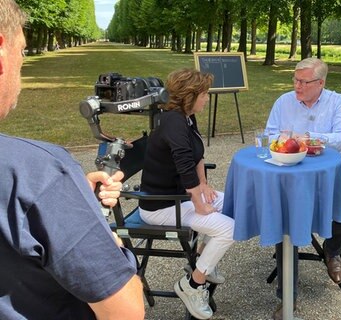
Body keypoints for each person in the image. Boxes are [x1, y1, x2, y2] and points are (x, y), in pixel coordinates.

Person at [0, 1, 145, 319]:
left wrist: (68, 200)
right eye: (22, 52)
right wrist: (94, 224)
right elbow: (126, 311)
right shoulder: (39, 173)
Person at [265, 57, 341, 319]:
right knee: (287, 226)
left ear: (320, 83)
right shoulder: (284, 101)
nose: (297, 86)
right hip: (289, 176)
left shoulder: (338, 101)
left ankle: (332, 251)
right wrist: (286, 140)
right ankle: (288, 299)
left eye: (303, 82)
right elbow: (270, 133)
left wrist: (310, 140)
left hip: (326, 176)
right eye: (295, 80)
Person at [139, 68, 235, 320]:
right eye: (204, 94)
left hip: (179, 197)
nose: (207, 98)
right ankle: (193, 284)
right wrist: (199, 202)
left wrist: (203, 185)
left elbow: (197, 154)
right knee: (229, 229)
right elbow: (183, 161)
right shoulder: (173, 121)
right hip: (159, 206)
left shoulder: (187, 116)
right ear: (189, 96)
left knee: (235, 205)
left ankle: (203, 257)